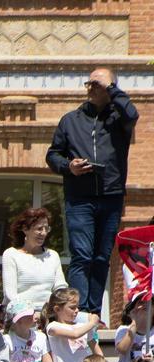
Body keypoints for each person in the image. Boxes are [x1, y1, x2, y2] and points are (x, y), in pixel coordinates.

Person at [48, 68, 138, 313]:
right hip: (80, 198)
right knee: (82, 255)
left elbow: (132, 113)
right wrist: (69, 166)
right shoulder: (71, 120)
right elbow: (53, 154)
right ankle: (78, 311)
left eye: (97, 85)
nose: (91, 89)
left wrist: (110, 88)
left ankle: (93, 312)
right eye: (89, 84)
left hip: (111, 196)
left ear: (110, 87)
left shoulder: (119, 120)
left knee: (101, 257)